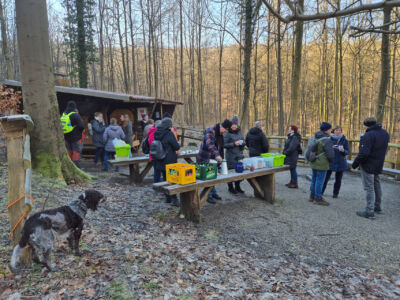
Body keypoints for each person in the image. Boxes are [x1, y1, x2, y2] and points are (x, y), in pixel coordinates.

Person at [352, 117, 389, 219]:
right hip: (378, 163)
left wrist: (355, 164)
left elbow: (364, 153)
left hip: (368, 164)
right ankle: (378, 207)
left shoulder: (368, 135)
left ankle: (369, 211)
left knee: (369, 187)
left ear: (366, 125)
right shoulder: (385, 133)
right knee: (377, 185)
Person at [197, 119, 232, 203]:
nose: (224, 132)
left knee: (213, 175)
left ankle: (213, 193)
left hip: (212, 158)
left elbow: (220, 146)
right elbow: (210, 145)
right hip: (205, 157)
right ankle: (207, 196)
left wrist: (220, 156)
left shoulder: (219, 133)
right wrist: (217, 155)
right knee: (209, 177)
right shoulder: (210, 131)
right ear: (222, 127)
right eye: (225, 130)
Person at [154, 118, 181, 206]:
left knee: (165, 178)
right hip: (170, 161)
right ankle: (174, 199)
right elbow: (176, 147)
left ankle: (167, 197)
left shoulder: (157, 133)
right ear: (169, 125)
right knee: (172, 179)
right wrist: (178, 144)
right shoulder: (169, 134)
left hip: (160, 160)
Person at [308, 122, 335, 206]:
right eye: (330, 129)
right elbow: (330, 155)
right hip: (322, 163)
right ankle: (318, 198)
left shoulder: (315, 137)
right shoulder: (326, 140)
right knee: (320, 181)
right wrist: (331, 160)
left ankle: (312, 196)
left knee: (314, 179)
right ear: (327, 130)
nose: (331, 130)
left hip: (314, 161)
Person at [322, 126, 349, 198]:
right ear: (333, 131)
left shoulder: (344, 140)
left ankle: (335, 194)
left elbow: (347, 151)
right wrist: (331, 148)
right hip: (330, 161)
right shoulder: (329, 140)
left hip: (341, 162)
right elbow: (324, 150)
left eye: (340, 130)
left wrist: (343, 151)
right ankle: (321, 192)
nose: (338, 132)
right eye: (336, 130)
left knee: (338, 179)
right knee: (325, 178)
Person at [224, 116, 245, 194]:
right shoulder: (227, 133)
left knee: (239, 171)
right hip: (230, 156)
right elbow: (224, 144)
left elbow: (243, 140)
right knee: (231, 172)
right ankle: (230, 187)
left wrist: (242, 143)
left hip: (239, 155)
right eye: (232, 125)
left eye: (235, 125)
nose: (233, 126)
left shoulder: (239, 131)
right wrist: (233, 144)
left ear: (237, 125)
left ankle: (238, 186)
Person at [61, 101, 85, 168]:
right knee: (76, 151)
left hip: (66, 136)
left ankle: (69, 165)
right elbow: (81, 126)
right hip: (75, 137)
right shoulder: (75, 115)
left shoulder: (64, 114)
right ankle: (76, 166)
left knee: (69, 150)